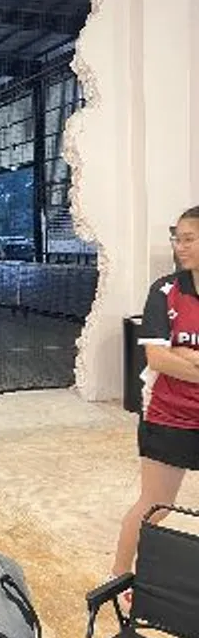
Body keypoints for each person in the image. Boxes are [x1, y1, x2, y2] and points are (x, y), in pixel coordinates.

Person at [110, 205, 199, 604]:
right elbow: (158, 359)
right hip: (170, 417)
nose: (180, 246)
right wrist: (178, 358)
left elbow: (172, 355)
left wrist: (185, 357)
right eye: (177, 238)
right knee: (155, 506)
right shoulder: (165, 291)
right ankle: (118, 576)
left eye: (189, 239)